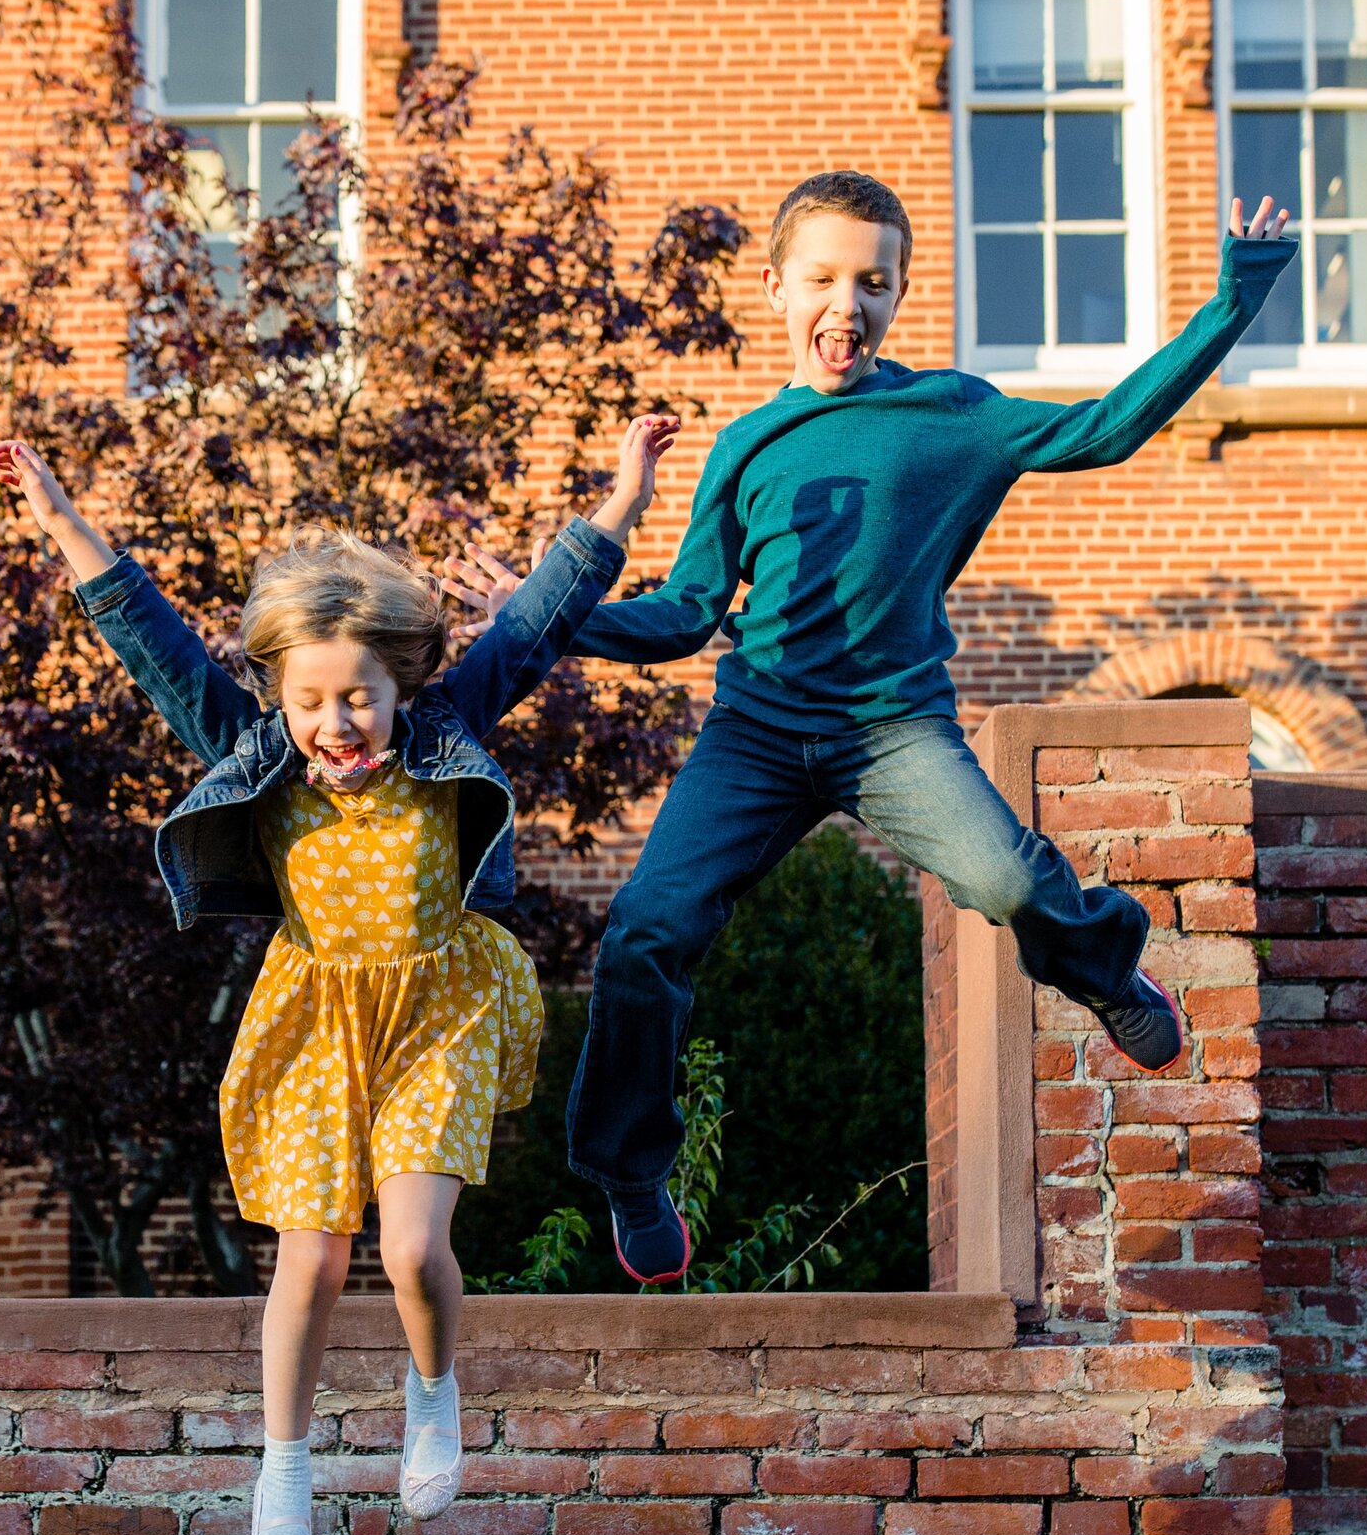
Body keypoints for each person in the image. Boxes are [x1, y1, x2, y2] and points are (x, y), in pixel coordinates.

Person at [500, 171, 1294, 1284]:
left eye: (871, 282)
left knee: (1007, 883)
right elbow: (687, 612)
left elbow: (1106, 430)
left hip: (894, 731)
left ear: (899, 292)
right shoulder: (746, 448)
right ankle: (634, 1172)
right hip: (758, 734)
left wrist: (1232, 303)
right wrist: (554, 613)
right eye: (822, 278)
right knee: (644, 930)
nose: (847, 303)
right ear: (774, 288)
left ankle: (1110, 969)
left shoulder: (952, 418)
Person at [0, 416, 676, 1535]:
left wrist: (621, 499)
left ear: (398, 680)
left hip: (441, 1004)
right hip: (312, 1016)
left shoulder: (448, 724)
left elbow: (538, 621)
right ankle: (286, 1475)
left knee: (411, 1248)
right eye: (310, 702)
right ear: (279, 694)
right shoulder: (247, 747)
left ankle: (432, 1394)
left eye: (355, 698)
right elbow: (147, 641)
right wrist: (58, 515)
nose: (334, 727)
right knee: (306, 1263)